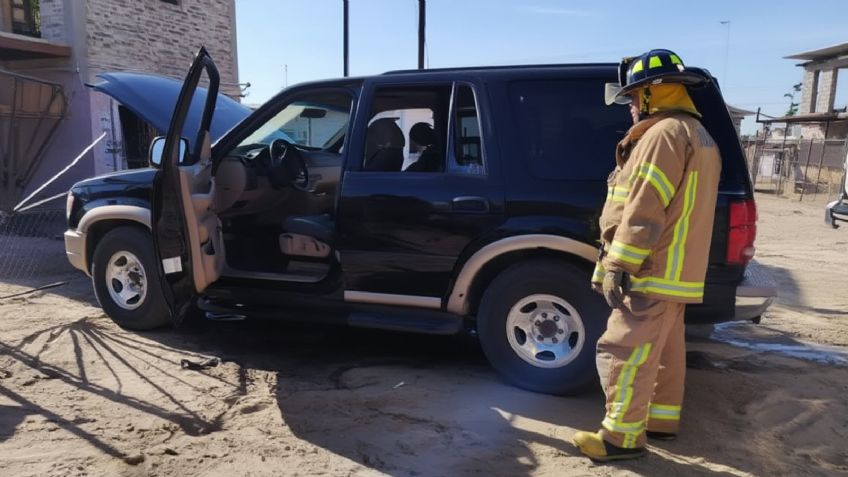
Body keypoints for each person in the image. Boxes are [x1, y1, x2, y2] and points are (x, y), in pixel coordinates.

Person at [572, 49, 722, 462]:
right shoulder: (698, 134)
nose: (633, 107)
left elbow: (644, 206)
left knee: (625, 349)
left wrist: (619, 263)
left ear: (656, 92)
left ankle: (619, 438)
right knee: (665, 352)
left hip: (652, 270)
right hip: (678, 273)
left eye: (636, 97)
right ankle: (659, 420)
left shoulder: (662, 135)